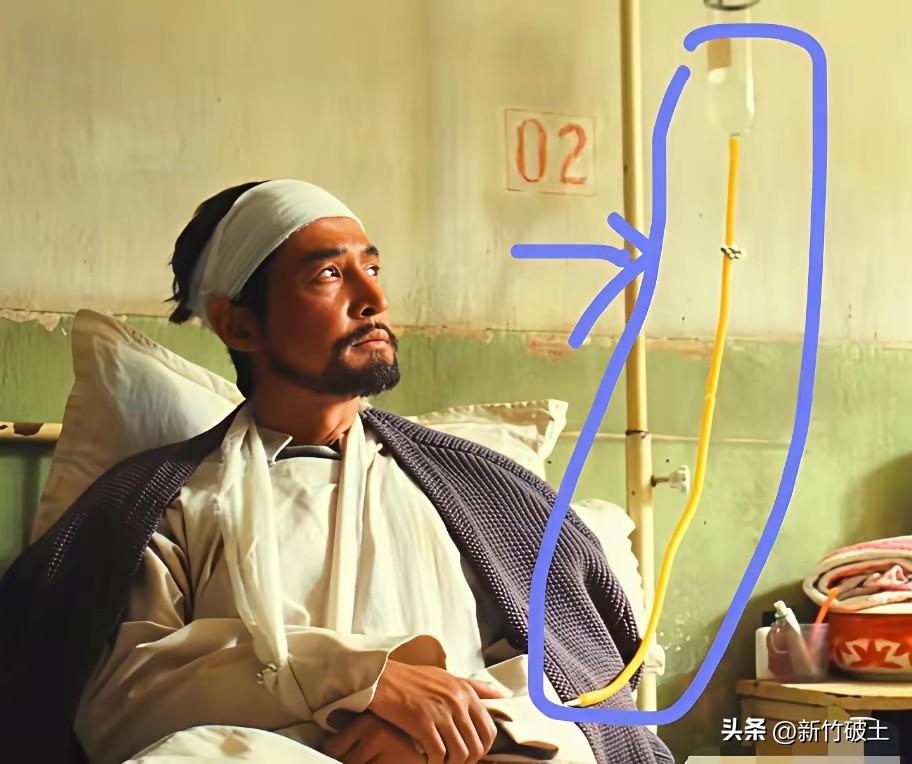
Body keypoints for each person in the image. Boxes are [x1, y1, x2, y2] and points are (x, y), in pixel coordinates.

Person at [0, 179, 673, 764]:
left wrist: (454, 734)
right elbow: (117, 699)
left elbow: (573, 680)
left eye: (371, 267)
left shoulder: (473, 493)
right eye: (328, 274)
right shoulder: (167, 503)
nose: (372, 296)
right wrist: (360, 680)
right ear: (239, 325)